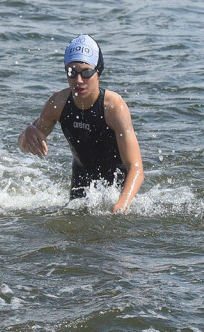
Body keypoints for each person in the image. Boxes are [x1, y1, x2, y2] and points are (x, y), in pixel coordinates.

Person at [18, 34, 143, 213]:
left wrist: (121, 205)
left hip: (118, 189)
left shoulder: (114, 106)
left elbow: (136, 168)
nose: (78, 80)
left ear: (98, 71)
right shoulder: (58, 103)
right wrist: (27, 134)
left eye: (86, 73)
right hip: (80, 185)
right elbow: (23, 146)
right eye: (72, 72)